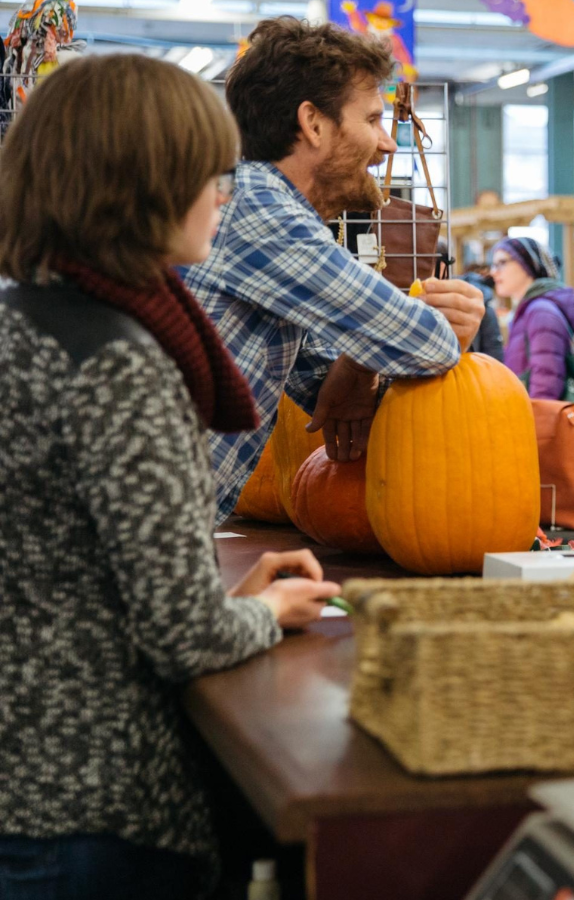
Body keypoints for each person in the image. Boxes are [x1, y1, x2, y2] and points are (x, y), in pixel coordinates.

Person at [0, 54, 341, 898]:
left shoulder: (23, 324)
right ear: (143, 184)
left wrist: (210, 593)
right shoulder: (119, 363)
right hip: (102, 802)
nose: (222, 196)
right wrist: (262, 610)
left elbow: (66, 566)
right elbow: (183, 638)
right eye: (207, 174)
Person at [183, 18, 485, 523]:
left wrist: (359, 362)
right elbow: (426, 344)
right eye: (371, 120)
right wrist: (444, 320)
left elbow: (325, 390)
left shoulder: (253, 206)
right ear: (314, 124)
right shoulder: (259, 212)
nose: (387, 145)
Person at [495, 236, 574, 400]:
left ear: (527, 264)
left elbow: (546, 382)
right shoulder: (530, 310)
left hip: (534, 418)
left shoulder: (540, 312)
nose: (494, 271)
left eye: (502, 263)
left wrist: (535, 423)